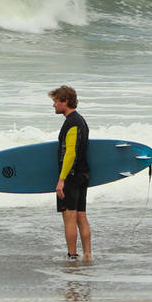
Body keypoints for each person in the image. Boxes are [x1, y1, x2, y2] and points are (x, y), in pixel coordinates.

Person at [49, 85, 91, 261]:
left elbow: (70, 153)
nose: (54, 105)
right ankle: (88, 255)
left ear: (65, 101)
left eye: (56, 101)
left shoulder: (72, 122)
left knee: (69, 217)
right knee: (81, 215)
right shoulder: (81, 120)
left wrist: (61, 180)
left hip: (71, 177)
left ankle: (72, 256)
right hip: (83, 174)